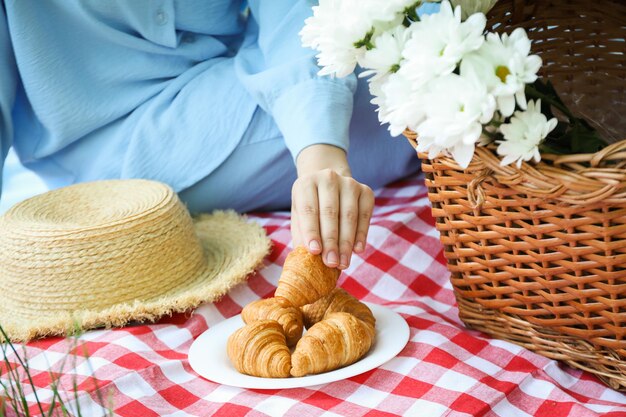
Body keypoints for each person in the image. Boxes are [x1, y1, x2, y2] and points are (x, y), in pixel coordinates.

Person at [0, 1, 422, 271]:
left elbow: (290, 12)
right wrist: (320, 143)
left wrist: (320, 156)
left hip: (224, 75)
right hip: (114, 151)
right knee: (414, 74)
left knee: (402, 40)